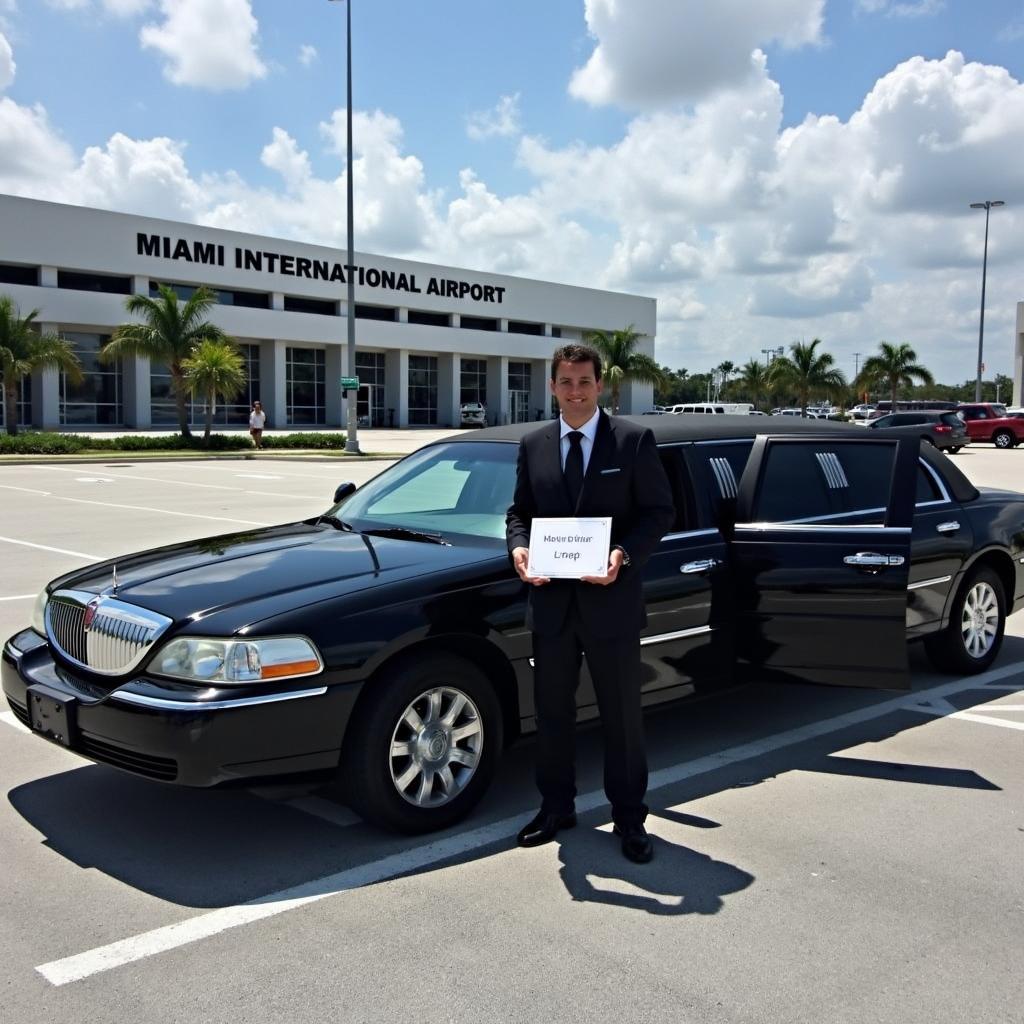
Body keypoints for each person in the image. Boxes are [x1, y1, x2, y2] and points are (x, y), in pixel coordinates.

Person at [506, 343, 675, 863]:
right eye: (566, 382)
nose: (575, 391)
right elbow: (520, 512)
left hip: (611, 604)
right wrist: (518, 547)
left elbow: (658, 512)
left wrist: (623, 555)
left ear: (600, 386)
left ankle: (629, 818)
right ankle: (556, 807)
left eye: (584, 381)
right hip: (552, 607)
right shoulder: (533, 444)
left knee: (621, 717)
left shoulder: (633, 441)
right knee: (552, 715)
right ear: (552, 387)